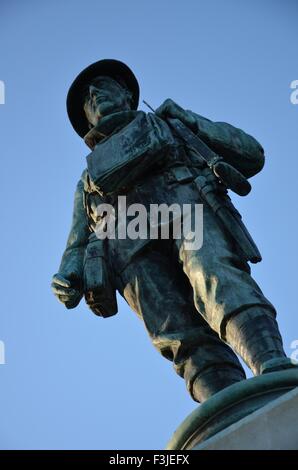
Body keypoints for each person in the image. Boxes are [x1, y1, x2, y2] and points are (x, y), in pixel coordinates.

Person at [52, 59, 295, 403]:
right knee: (179, 335)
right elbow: (78, 238)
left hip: (186, 209)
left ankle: (273, 366)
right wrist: (68, 272)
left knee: (217, 281)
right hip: (128, 249)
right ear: (87, 118)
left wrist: (189, 119)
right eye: (87, 99)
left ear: (125, 94)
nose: (94, 95)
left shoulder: (169, 123)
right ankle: (225, 410)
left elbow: (251, 154)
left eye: (102, 86)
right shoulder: (88, 179)